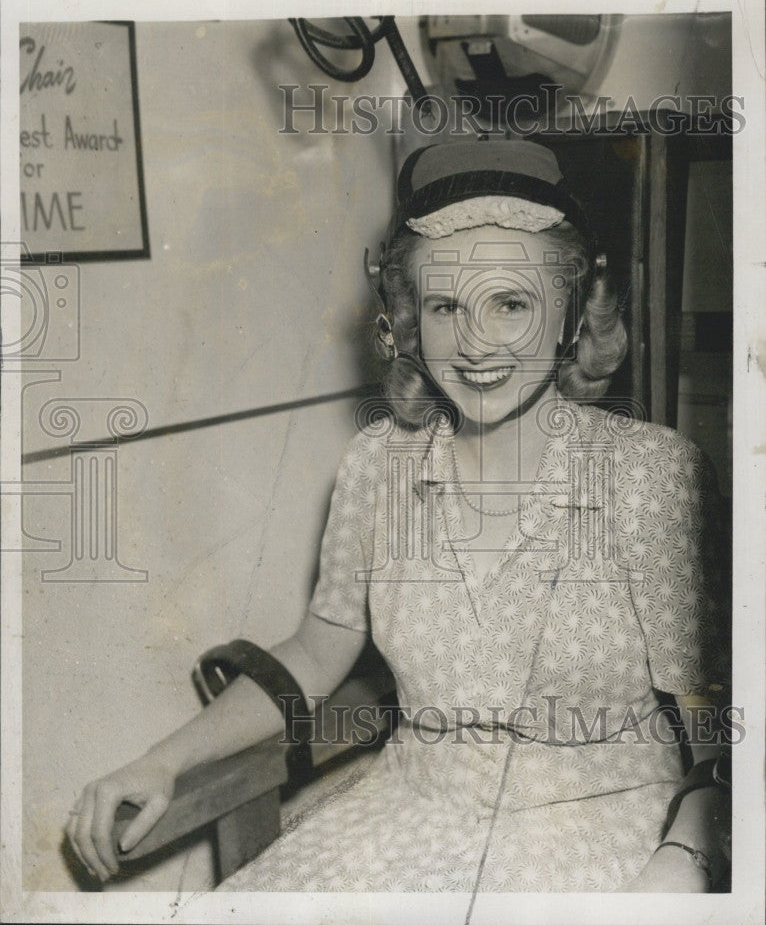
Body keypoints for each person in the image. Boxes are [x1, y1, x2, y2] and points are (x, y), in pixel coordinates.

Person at [67, 138, 731, 893]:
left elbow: (716, 726)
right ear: (411, 322)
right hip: (408, 818)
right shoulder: (377, 466)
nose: (478, 342)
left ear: (570, 318)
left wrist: (688, 860)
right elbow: (315, 656)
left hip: (599, 834)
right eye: (447, 306)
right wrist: (163, 758)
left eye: (512, 303)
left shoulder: (653, 475)